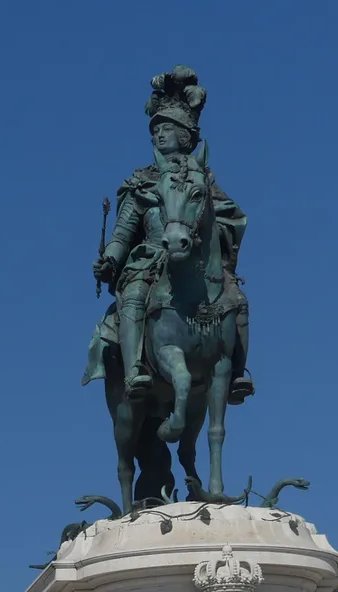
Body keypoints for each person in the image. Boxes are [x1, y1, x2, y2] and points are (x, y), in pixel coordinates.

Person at [87, 67, 251, 403]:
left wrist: (208, 238)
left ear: (186, 136)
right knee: (133, 293)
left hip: (196, 262)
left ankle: (236, 372)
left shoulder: (204, 183)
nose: (159, 136)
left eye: (167, 129)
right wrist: (110, 260)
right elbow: (123, 232)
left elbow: (229, 219)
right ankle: (134, 369)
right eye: (155, 130)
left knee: (237, 299)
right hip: (150, 261)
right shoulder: (140, 183)